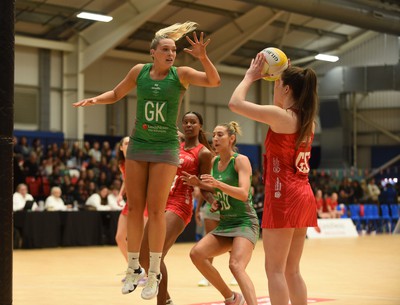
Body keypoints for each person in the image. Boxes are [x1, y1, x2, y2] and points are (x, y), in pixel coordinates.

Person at [73, 21, 220, 300]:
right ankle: (132, 269)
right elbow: (116, 94)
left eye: (173, 50)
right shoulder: (138, 72)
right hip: (139, 144)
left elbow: (214, 81)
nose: (171, 53)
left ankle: (154, 272)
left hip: (165, 147)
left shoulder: (182, 74)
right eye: (165, 49)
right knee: (135, 206)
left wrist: (203, 57)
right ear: (152, 52)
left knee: (155, 210)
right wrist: (93, 100)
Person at [228, 53, 319, 305]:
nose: (274, 87)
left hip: (284, 195)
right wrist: (285, 75)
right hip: (303, 193)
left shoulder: (281, 117)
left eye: (277, 84)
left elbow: (235, 103)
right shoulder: (305, 120)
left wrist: (250, 76)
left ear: (287, 88)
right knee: (292, 270)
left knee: (275, 270)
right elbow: (281, 109)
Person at [138, 111, 214, 305]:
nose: (189, 125)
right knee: (143, 258)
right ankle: (168, 300)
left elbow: (208, 185)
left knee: (156, 256)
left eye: (193, 122)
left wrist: (212, 199)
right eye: (186, 122)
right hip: (161, 202)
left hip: (181, 204)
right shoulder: (174, 147)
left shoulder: (203, 153)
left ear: (200, 126)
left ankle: (161, 303)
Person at [185, 121, 260, 305]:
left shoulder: (240, 160)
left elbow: (243, 194)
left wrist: (218, 185)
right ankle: (232, 297)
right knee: (197, 254)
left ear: (231, 138)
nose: (215, 139)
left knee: (235, 265)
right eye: (214, 135)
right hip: (226, 222)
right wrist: (200, 184)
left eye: (220, 135)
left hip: (244, 222)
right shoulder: (214, 161)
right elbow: (210, 187)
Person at [114, 136, 148, 286]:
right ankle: (135, 269)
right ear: (121, 147)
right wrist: (121, 193)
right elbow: (125, 179)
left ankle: (147, 272)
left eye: (131, 142)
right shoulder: (122, 163)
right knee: (120, 237)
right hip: (131, 203)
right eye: (126, 143)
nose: (129, 145)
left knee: (142, 240)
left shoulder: (140, 159)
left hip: (144, 202)